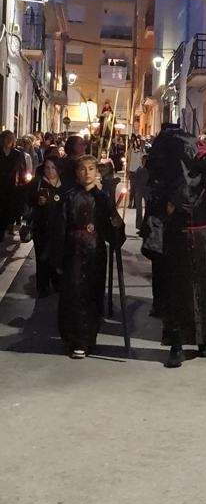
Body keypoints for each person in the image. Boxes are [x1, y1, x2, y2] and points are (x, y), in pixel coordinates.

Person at [141, 127, 206, 367]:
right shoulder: (165, 180)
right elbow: (158, 209)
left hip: (205, 242)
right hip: (178, 242)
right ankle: (176, 344)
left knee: (205, 293)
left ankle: (203, 339)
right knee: (177, 295)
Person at [58, 155, 125, 359]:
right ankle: (76, 338)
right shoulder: (69, 197)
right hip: (74, 250)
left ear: (97, 172)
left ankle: (88, 338)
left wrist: (115, 223)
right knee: (74, 292)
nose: (86, 173)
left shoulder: (103, 198)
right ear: (77, 174)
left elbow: (113, 230)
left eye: (90, 169)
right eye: (82, 169)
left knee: (92, 293)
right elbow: (61, 227)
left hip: (95, 251)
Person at [27, 156, 65, 297]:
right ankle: (42, 286)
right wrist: (37, 200)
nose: (50, 171)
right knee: (42, 257)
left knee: (57, 256)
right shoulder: (38, 182)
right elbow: (28, 198)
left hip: (59, 228)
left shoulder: (64, 185)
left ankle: (56, 282)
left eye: (53, 168)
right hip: (42, 227)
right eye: (47, 168)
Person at [0, 131, 26, 241]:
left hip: (12, 185)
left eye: (10, 138)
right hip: (1, 184)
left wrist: (22, 181)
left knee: (10, 207)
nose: (8, 141)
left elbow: (22, 169)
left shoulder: (17, 153)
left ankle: (9, 225)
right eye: (6, 138)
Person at [134, 154, 150, 231]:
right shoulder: (139, 170)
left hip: (147, 190)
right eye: (143, 161)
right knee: (138, 208)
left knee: (148, 208)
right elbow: (135, 180)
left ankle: (147, 225)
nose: (143, 162)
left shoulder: (149, 170)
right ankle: (139, 225)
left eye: (145, 161)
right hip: (139, 190)